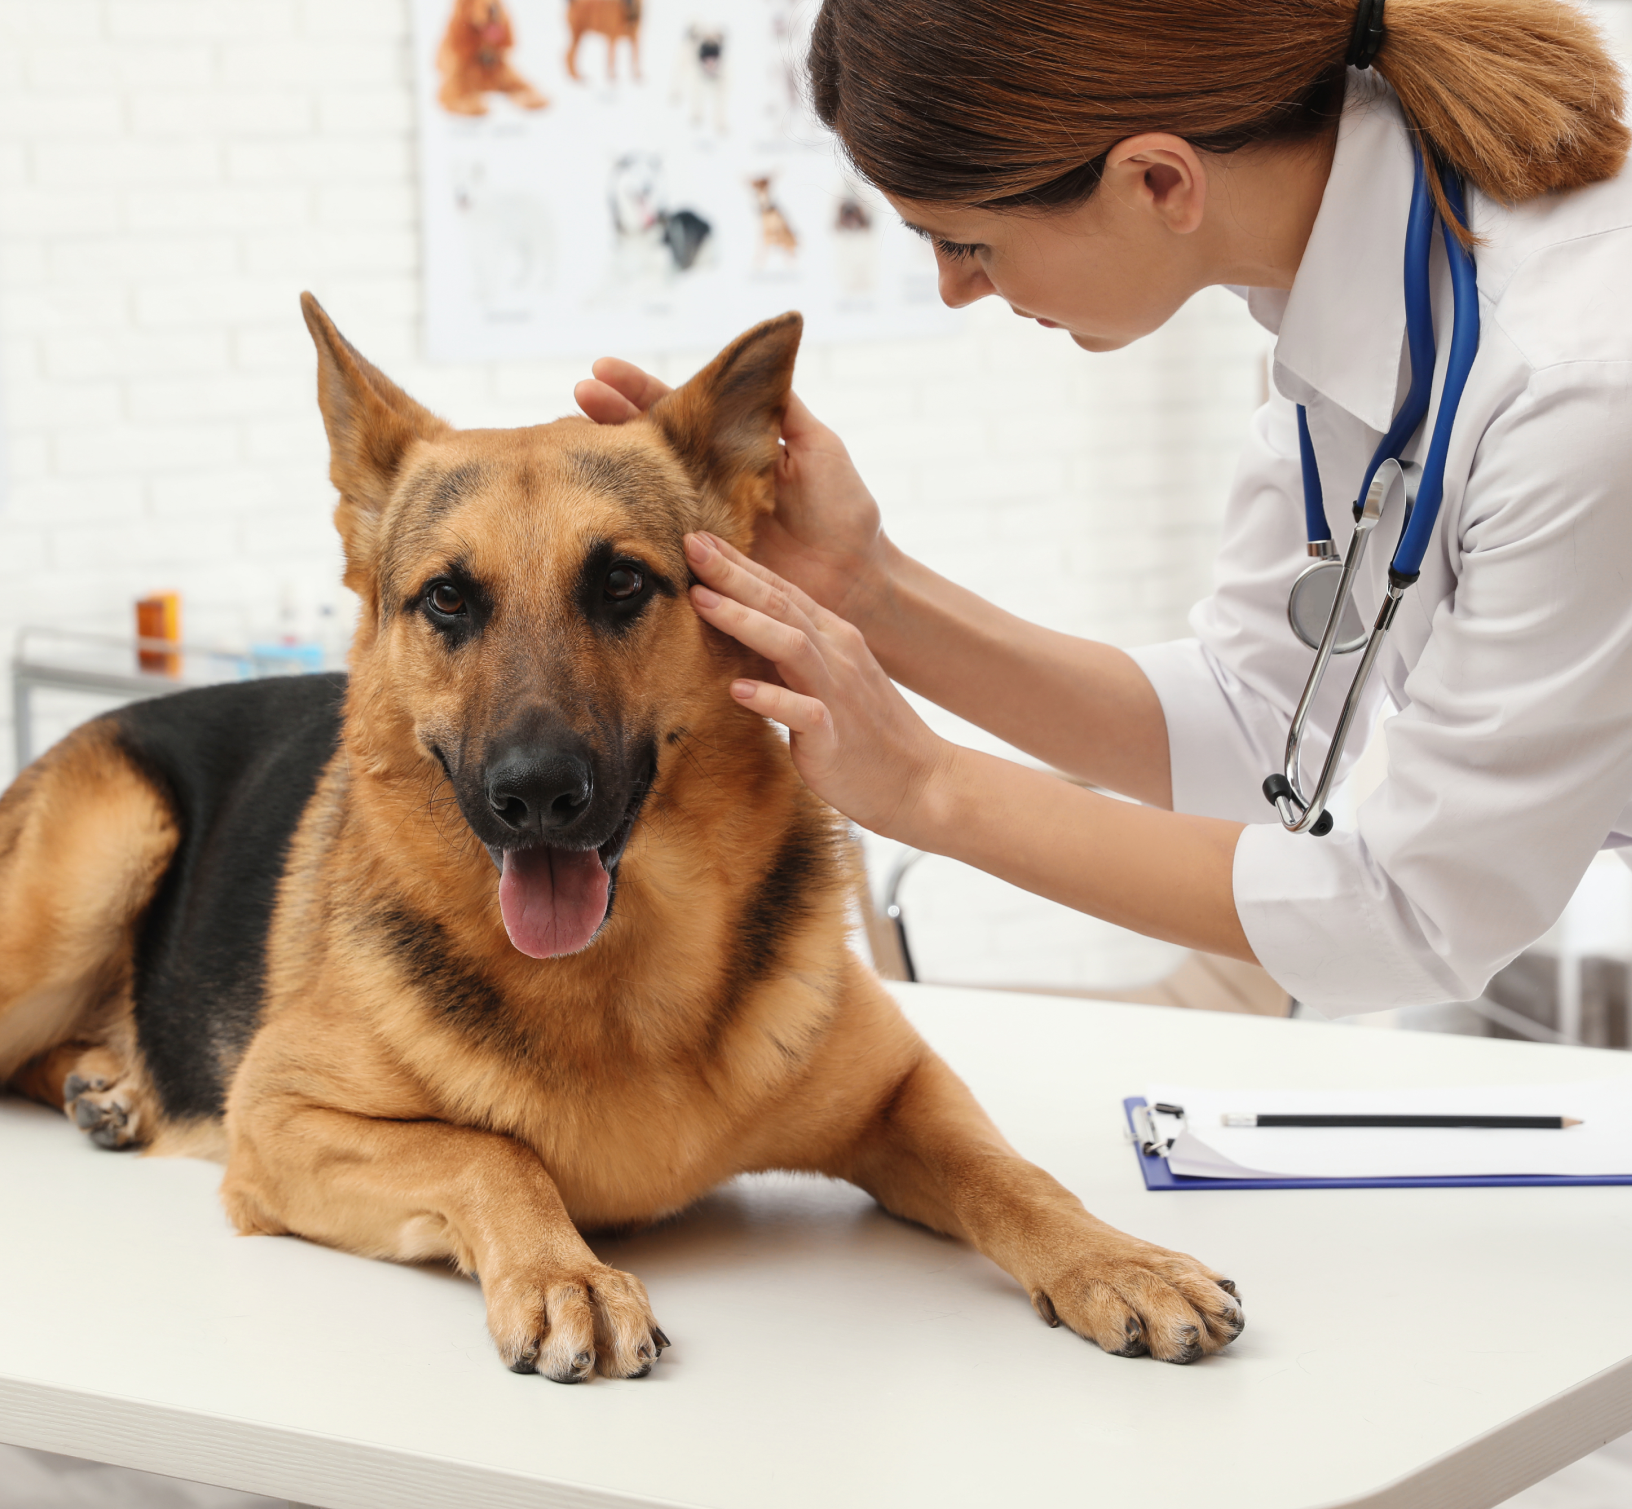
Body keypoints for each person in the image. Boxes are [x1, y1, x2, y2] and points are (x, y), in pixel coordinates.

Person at [574, 0, 1631, 1019]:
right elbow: (1253, 722)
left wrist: (927, 787)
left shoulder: (1574, 379)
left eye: (970, 243)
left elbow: (1418, 910)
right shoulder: (1355, 289)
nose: (954, 289)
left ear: (1158, 180)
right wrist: (866, 589)